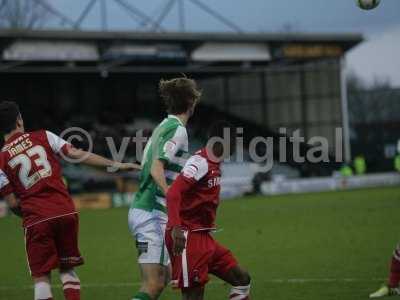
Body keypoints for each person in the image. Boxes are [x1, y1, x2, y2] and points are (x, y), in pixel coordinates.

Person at [0, 101, 140, 300]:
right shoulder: (44, 136)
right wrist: (116, 165)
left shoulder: (1, 159)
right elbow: (77, 154)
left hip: (37, 218)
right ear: (19, 120)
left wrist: (34, 211)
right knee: (68, 269)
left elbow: (13, 203)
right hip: (65, 212)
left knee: (41, 277)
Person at [128, 77, 201, 300]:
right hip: (151, 212)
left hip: (147, 211)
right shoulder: (177, 130)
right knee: (154, 283)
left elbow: (149, 164)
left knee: (167, 276)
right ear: (190, 102)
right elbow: (155, 167)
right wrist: (172, 195)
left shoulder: (163, 126)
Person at [165, 121, 251, 300]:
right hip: (189, 237)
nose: (237, 145)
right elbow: (173, 193)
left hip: (204, 236)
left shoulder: (215, 163)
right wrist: (176, 228)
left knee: (242, 279)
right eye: (235, 140)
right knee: (194, 296)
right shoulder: (200, 162)